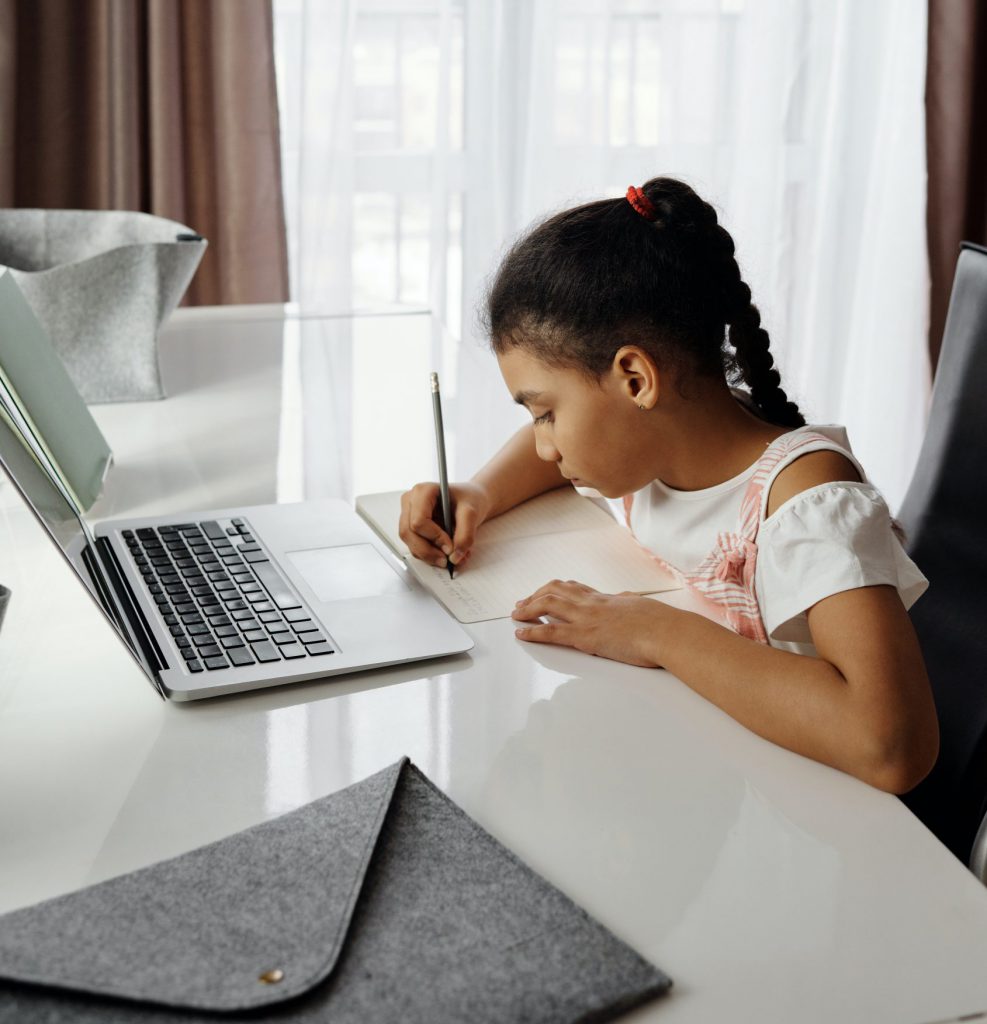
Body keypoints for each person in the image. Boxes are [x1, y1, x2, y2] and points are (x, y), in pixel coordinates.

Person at [399, 176, 938, 794]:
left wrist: (654, 630)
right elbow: (551, 456)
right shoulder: (653, 440)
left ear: (635, 379)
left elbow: (892, 745)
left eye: (545, 413)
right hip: (706, 765)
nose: (545, 443)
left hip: (812, 820)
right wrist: (481, 492)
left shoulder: (805, 505)